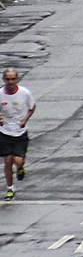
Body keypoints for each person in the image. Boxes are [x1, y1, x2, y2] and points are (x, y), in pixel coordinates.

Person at [1, 67, 36, 201]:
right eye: (7, 79)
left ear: (17, 79)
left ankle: (20, 167)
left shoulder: (25, 93)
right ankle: (10, 188)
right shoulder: (0, 94)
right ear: (4, 80)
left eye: (13, 79)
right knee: (8, 161)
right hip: (4, 132)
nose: (10, 82)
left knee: (18, 160)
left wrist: (25, 120)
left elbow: (32, 107)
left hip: (20, 132)